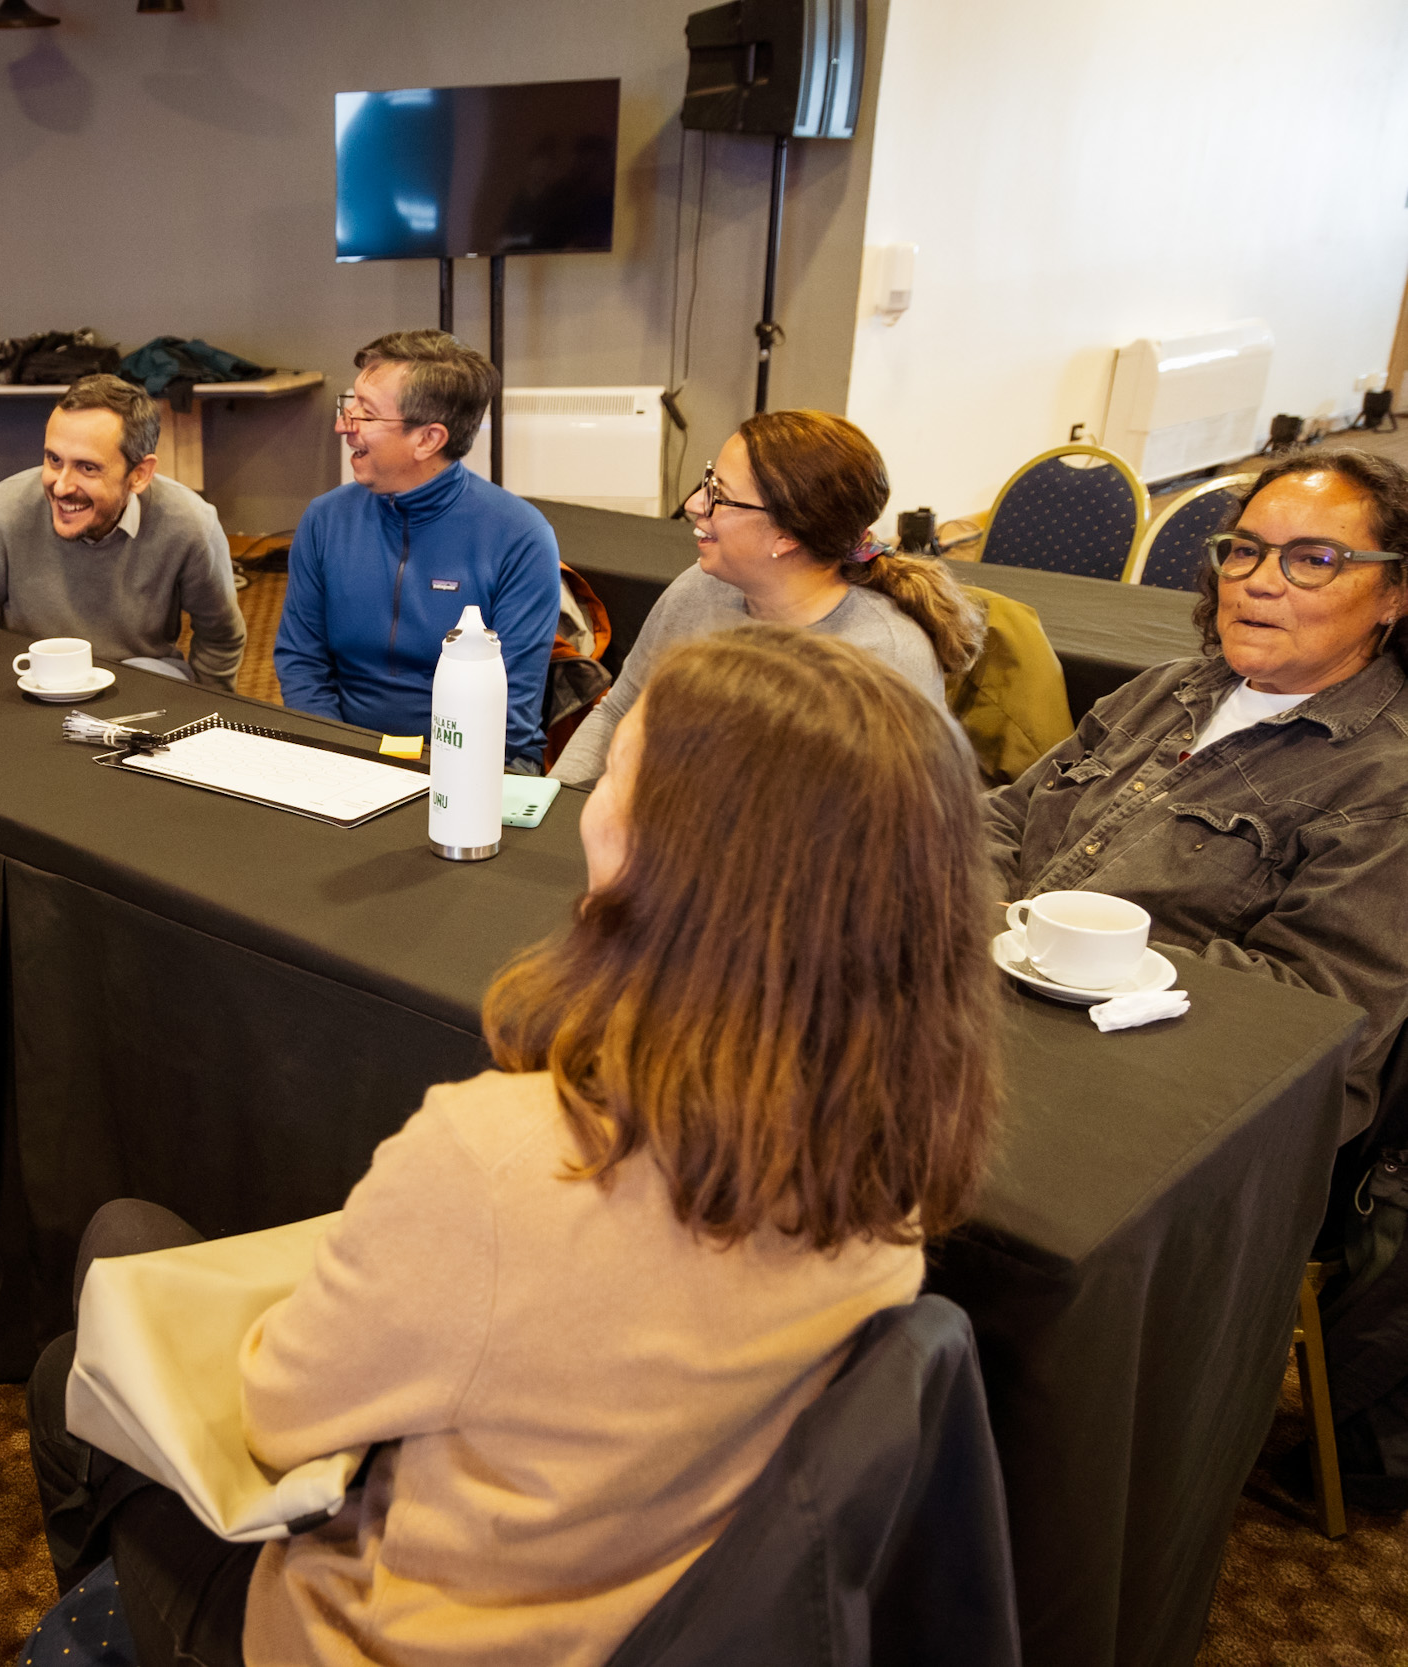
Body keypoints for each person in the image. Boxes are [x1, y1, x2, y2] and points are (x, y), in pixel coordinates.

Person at [30, 627, 1001, 1666]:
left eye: (613, 772)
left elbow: (276, 1412)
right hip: (618, 1608)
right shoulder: (887, 1167)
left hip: (390, 1637)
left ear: (662, 856)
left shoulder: (507, 1157)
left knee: (83, 1332)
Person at [987, 449, 1408, 1143]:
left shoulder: (1386, 780)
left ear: (1395, 593)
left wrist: (1060, 953)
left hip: (1169, 1092)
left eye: (1313, 560)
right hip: (1000, 1005)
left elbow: (1320, 1017)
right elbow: (1002, 818)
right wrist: (981, 919)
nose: (1258, 583)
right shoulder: (1165, 689)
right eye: (1245, 551)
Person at [552, 409, 982, 787]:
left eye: (720, 495)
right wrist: (552, 800)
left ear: (787, 535)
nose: (695, 503)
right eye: (708, 481)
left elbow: (878, 832)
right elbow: (620, 713)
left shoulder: (884, 659)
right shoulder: (700, 589)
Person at [272, 331, 560, 768]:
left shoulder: (520, 538)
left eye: (366, 414)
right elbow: (301, 663)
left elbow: (508, 715)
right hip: (341, 752)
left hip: (476, 764)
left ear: (428, 439)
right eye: (350, 405)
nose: (343, 425)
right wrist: (337, 758)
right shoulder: (325, 519)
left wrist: (414, 775)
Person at [0, 374, 246, 689]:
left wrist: (212, 710)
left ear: (139, 474)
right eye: (54, 460)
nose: (61, 487)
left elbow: (220, 637)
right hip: (33, 683)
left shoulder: (190, 524)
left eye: (87, 468)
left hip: (142, 682)